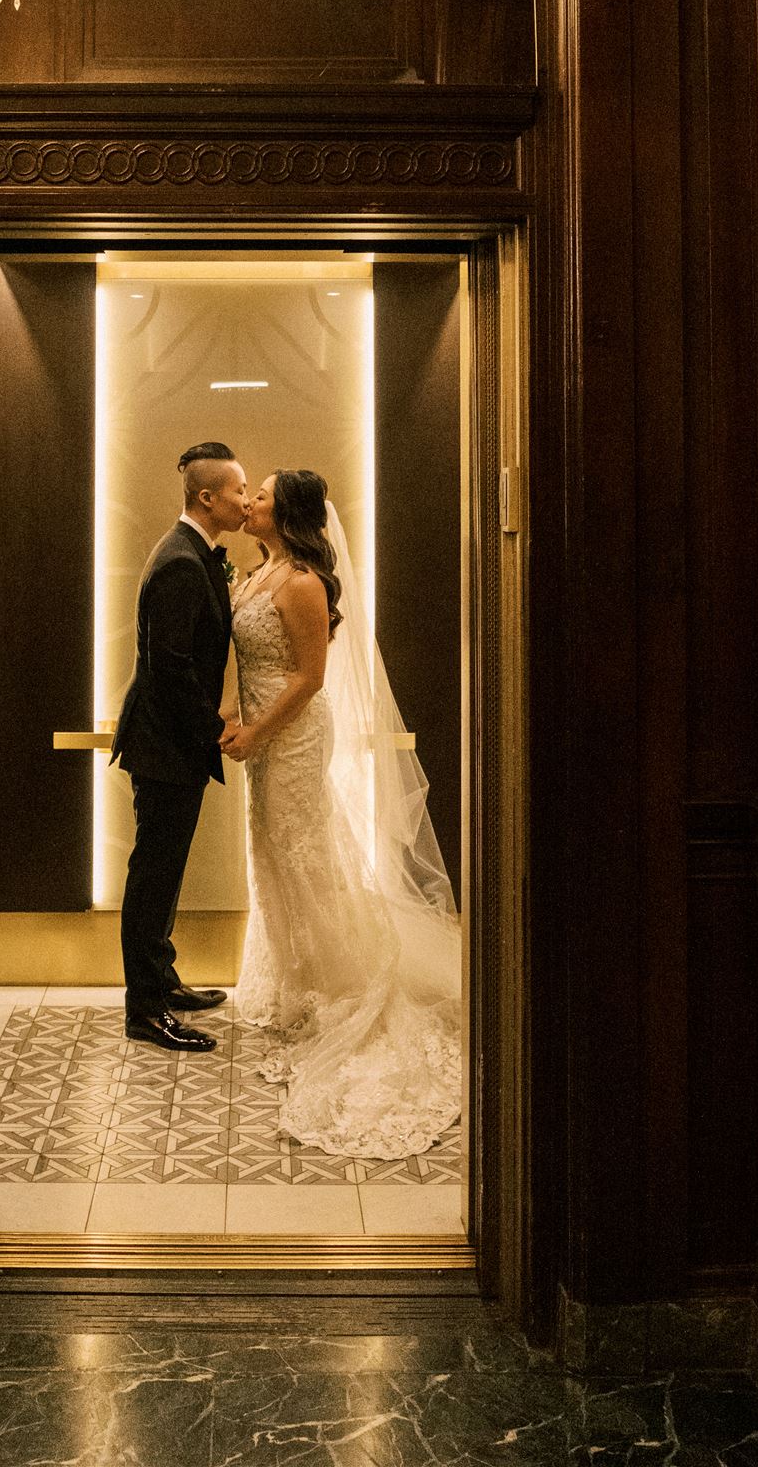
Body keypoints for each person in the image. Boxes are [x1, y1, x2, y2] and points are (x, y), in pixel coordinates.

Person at [221, 469, 461, 1156]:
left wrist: (258, 731)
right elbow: (245, 662)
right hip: (262, 728)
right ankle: (296, 978)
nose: (250, 501)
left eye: (260, 494)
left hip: (292, 733)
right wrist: (231, 716)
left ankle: (333, 983)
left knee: (304, 852)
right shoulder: (260, 573)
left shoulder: (301, 583)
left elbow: (308, 676)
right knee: (271, 852)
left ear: (285, 511)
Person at [111, 442, 248, 1051]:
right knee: (153, 874)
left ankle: (162, 979)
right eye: (239, 492)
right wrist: (213, 729)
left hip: (172, 742)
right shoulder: (181, 562)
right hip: (165, 743)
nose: (246, 502)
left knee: (165, 871)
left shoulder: (195, 554)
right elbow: (170, 666)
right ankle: (144, 1007)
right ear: (207, 497)